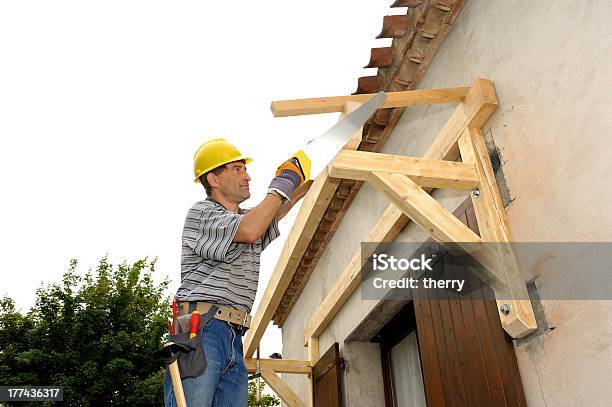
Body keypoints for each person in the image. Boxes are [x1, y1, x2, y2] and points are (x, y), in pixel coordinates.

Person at [164, 138, 310, 407]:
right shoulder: (203, 213)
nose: (247, 176)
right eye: (237, 169)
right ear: (214, 179)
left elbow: (274, 212)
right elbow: (250, 229)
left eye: (245, 169)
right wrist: (280, 185)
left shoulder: (245, 218)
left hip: (233, 335)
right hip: (203, 329)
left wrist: (305, 174)